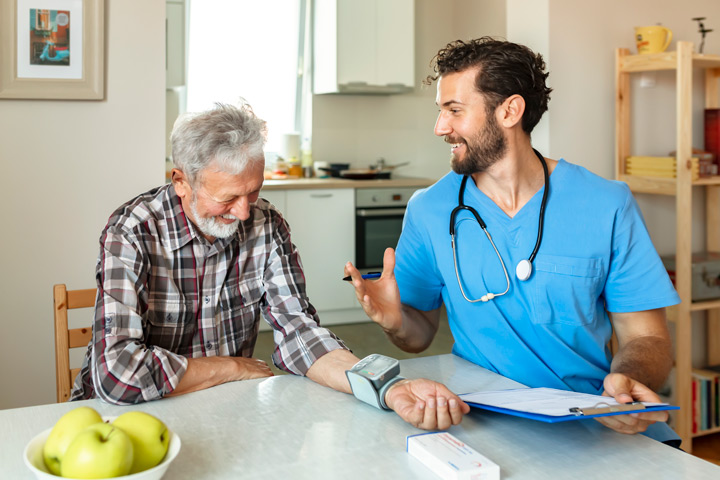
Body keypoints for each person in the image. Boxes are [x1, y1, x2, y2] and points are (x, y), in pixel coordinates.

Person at [344, 37, 681, 444]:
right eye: (440, 111)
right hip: (482, 418)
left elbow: (648, 338)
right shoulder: (430, 209)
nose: (440, 128)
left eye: (454, 110)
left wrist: (627, 381)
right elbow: (417, 337)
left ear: (510, 110)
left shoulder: (606, 204)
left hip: (594, 416)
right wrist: (395, 321)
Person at [70, 102, 469, 430]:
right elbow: (117, 374)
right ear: (180, 181)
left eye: (254, 192)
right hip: (126, 419)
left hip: (225, 412)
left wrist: (385, 387)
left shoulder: (266, 223)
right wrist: (231, 368)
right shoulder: (134, 230)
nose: (244, 213)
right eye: (228, 198)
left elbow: (300, 332)